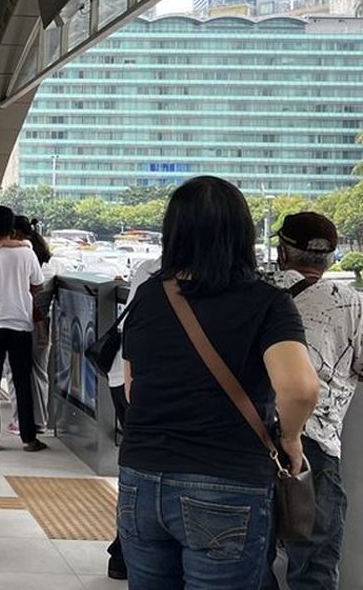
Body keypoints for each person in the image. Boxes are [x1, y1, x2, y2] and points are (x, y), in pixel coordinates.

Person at [118, 176, 321, 589]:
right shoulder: (267, 303)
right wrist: (292, 438)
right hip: (226, 484)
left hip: (140, 480)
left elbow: (131, 388)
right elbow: (299, 388)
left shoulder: (150, 296)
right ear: (242, 233)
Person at [264, 212, 363, 590]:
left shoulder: (258, 291)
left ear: (282, 252)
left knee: (252, 556)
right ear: (332, 256)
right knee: (316, 562)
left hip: (252, 440)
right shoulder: (352, 303)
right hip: (317, 450)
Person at [0, 206, 47, 452]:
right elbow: (38, 286)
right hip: (21, 324)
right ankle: (28, 438)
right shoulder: (27, 254)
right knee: (22, 381)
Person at [106, 254, 161, 581]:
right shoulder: (238, 284)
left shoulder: (150, 270)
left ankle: (124, 554)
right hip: (140, 383)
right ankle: (125, 551)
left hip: (129, 382)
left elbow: (131, 328)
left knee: (138, 467)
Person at [5, 215, 53, 436]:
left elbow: (30, 292)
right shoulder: (48, 259)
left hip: (25, 322)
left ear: (13, 233)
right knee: (40, 373)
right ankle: (41, 421)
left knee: (17, 373)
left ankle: (20, 420)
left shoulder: (20, 257)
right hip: (45, 322)